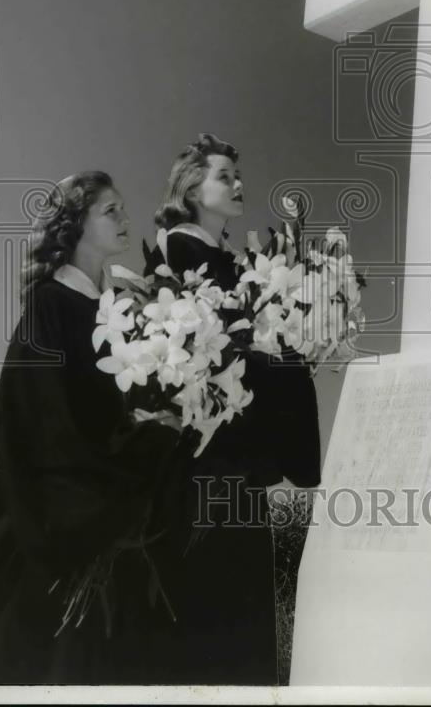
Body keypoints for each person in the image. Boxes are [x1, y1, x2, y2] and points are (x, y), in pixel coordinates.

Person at [0, 171, 195, 685]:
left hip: (97, 471)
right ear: (74, 226)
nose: (124, 217)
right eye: (109, 210)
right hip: (42, 486)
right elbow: (41, 415)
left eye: (123, 208)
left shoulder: (120, 306)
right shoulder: (50, 303)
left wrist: (151, 423)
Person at [143, 133, 322, 686]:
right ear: (192, 187)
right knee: (215, 622)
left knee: (236, 619)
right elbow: (219, 355)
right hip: (206, 469)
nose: (239, 184)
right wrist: (287, 356)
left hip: (233, 466)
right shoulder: (182, 253)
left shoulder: (224, 259)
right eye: (225, 176)